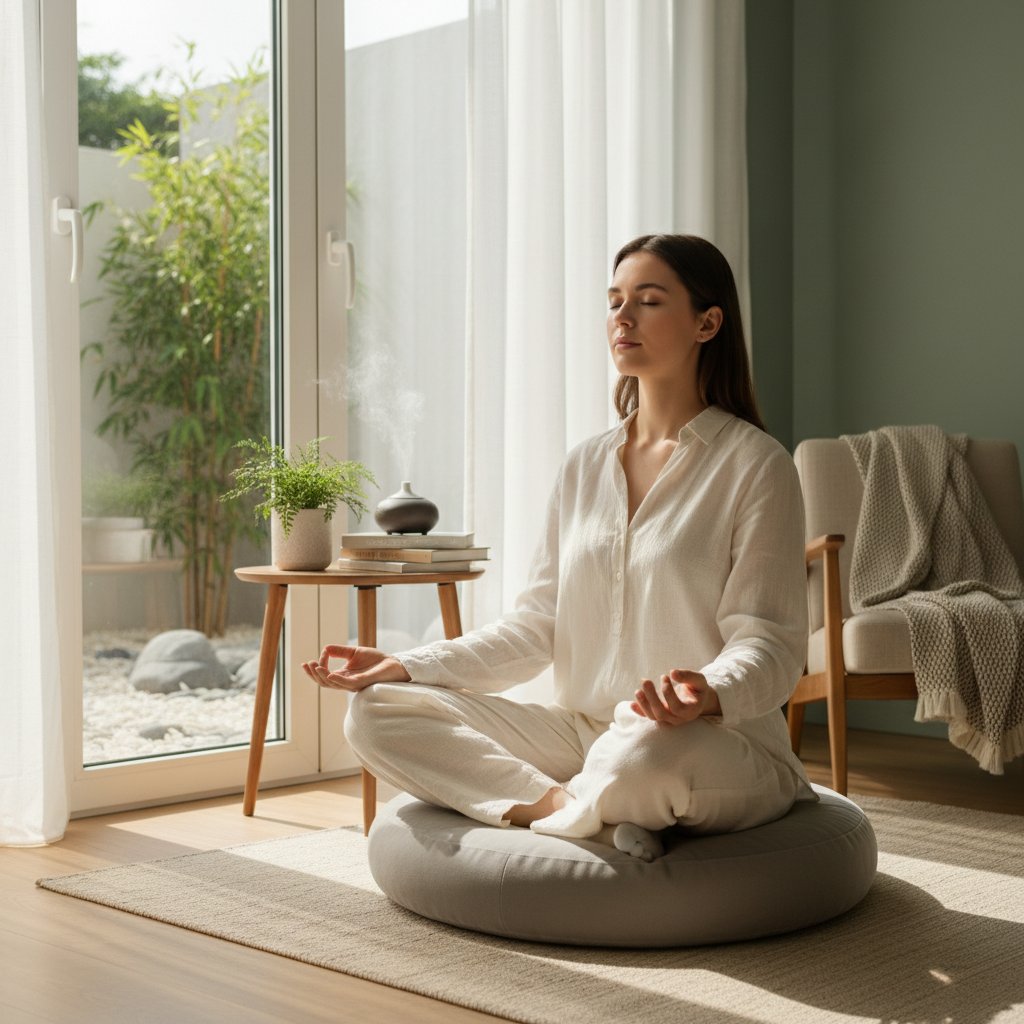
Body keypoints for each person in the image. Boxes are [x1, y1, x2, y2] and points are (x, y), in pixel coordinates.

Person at [302, 233, 816, 862]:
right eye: (614, 300)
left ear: (707, 323)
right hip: (579, 735)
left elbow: (770, 641)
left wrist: (708, 692)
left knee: (641, 756)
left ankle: (596, 800)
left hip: (703, 740)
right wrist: (409, 665)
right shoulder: (584, 466)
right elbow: (537, 624)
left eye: (649, 301)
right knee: (375, 710)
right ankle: (571, 812)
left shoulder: (756, 464)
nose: (622, 318)